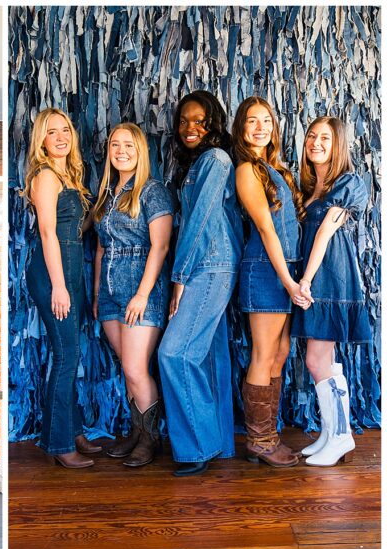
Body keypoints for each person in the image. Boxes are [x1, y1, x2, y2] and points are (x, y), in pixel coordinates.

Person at [157, 90, 243, 476]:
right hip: (210, 264)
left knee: (174, 353)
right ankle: (220, 443)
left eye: (199, 120)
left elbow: (201, 220)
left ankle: (197, 449)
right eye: (183, 121)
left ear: (213, 123)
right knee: (209, 357)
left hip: (207, 266)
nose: (190, 128)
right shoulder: (200, 162)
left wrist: (179, 277)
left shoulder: (216, 159)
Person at [90, 124, 173, 468]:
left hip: (141, 288)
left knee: (135, 368)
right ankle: (137, 432)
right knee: (129, 370)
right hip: (109, 292)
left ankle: (150, 439)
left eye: (128, 145)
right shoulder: (107, 193)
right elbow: (99, 248)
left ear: (141, 151)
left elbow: (161, 245)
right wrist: (97, 295)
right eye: (115, 144)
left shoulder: (153, 191)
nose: (120, 150)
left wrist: (142, 294)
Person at [291, 116, 372, 466]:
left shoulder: (348, 182)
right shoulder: (310, 189)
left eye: (325, 138)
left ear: (338, 145)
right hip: (316, 273)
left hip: (330, 276)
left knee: (315, 358)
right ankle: (333, 433)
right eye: (311, 136)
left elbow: (324, 232)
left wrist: (305, 280)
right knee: (324, 360)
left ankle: (340, 436)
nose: (316, 143)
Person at [231, 96, 303, 468]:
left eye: (266, 121)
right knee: (263, 353)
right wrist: (288, 282)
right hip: (265, 268)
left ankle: (269, 434)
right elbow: (265, 227)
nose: (260, 128)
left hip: (284, 268)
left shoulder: (272, 167)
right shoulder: (246, 169)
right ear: (241, 128)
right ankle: (258, 440)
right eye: (252, 121)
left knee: (281, 352)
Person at [22, 109, 94, 469]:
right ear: (42, 140)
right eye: (53, 132)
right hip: (54, 272)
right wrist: (59, 286)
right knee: (66, 355)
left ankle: (73, 428)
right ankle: (60, 443)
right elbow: (48, 233)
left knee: (72, 353)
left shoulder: (69, 173)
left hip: (72, 265)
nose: (61, 137)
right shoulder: (46, 177)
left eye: (66, 129)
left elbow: (75, 229)